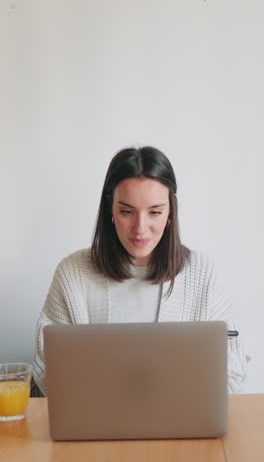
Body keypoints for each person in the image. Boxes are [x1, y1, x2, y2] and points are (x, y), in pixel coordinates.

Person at [33, 146, 248, 396]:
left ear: (170, 214)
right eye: (126, 212)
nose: (140, 229)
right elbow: (46, 368)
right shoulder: (73, 274)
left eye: (155, 212)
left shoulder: (203, 273)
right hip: (94, 428)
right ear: (110, 211)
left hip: (182, 426)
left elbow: (232, 366)